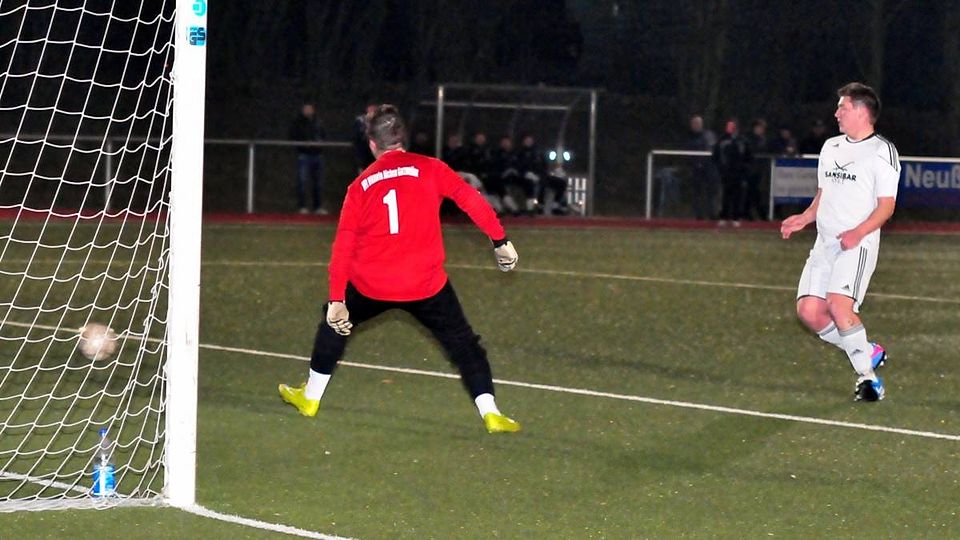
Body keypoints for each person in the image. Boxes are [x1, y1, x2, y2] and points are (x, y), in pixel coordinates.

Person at [278, 104, 522, 433]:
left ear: (372, 144)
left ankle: (310, 397)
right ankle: (490, 412)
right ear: (402, 138)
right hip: (425, 285)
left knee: (334, 324)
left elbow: (343, 247)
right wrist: (500, 240)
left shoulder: (360, 186)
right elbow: (471, 199)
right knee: (464, 344)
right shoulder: (431, 168)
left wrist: (337, 299)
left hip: (372, 285)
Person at [780, 82, 899, 402]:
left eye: (842, 107)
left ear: (861, 111)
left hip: (857, 244)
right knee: (809, 312)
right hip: (825, 243)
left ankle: (868, 379)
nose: (836, 113)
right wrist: (806, 217)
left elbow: (886, 206)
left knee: (838, 305)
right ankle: (866, 349)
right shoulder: (831, 146)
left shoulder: (882, 151)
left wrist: (858, 232)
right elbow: (824, 192)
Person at [288, 102, 327, 214]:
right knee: (302, 181)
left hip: (317, 154)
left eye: (310, 109)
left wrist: (320, 144)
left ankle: (317, 207)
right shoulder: (298, 122)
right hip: (304, 155)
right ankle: (302, 206)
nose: (308, 111)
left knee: (318, 182)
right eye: (306, 109)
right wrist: (303, 145)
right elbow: (293, 135)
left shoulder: (318, 122)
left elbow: (323, 135)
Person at [712, 118, 752, 225]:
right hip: (726, 172)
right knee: (725, 195)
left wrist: (745, 170)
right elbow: (716, 156)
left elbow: (748, 157)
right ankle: (723, 216)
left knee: (737, 196)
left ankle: (736, 217)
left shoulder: (743, 141)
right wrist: (720, 169)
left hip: (739, 173)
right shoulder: (722, 140)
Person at [683, 114, 719, 220]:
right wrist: (695, 163)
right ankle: (699, 216)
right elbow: (687, 153)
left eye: (698, 123)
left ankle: (712, 214)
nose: (696, 125)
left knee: (712, 193)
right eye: (694, 123)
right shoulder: (689, 137)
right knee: (697, 193)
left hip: (710, 169)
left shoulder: (709, 134)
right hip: (696, 169)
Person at [742, 118, 768, 220]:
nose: (761, 130)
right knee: (751, 192)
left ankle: (755, 213)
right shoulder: (748, 139)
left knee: (755, 192)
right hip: (749, 170)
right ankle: (750, 213)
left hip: (759, 170)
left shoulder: (763, 139)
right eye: (760, 127)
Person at [352, 104, 377, 173]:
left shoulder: (377, 123)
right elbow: (357, 138)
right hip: (363, 153)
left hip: (373, 154)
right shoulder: (360, 122)